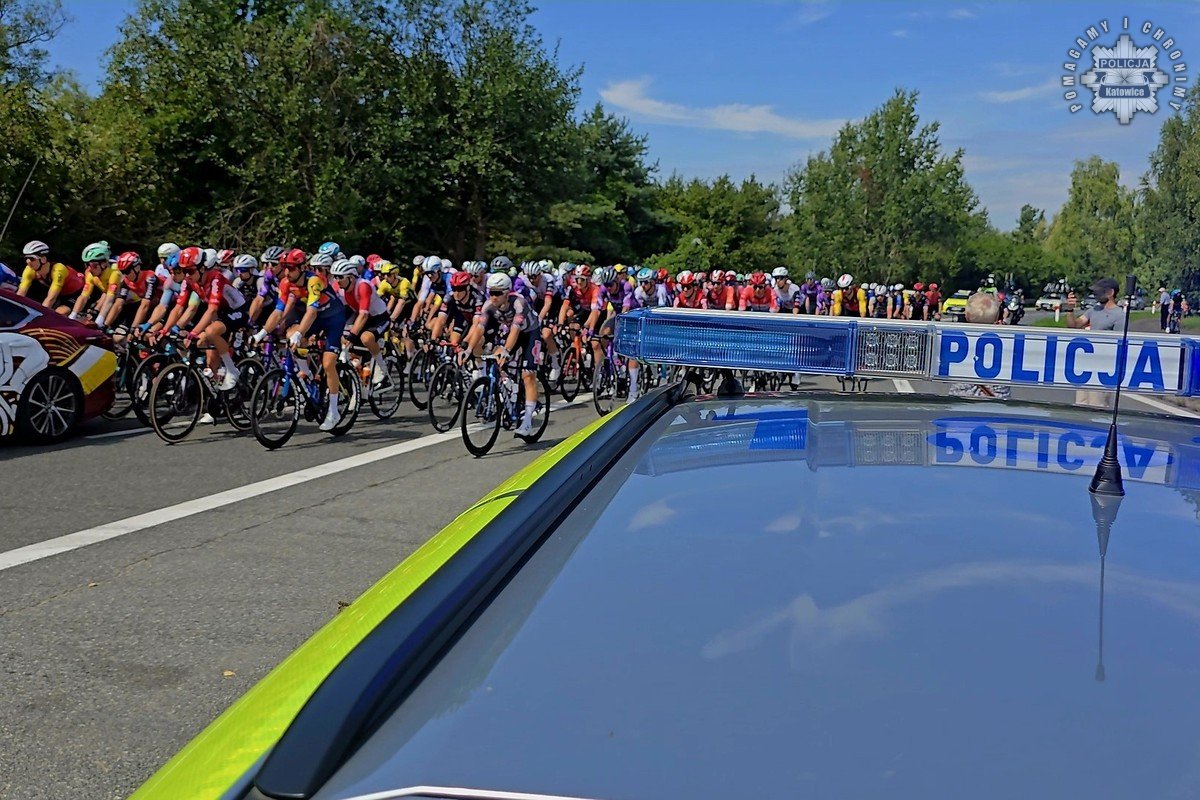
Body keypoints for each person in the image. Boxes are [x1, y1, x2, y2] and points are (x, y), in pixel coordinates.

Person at [1067, 277, 1123, 408]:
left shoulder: (1119, 315)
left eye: (1099, 292)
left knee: (1098, 406)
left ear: (1110, 293)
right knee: (1080, 404)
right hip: (1087, 366)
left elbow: (1121, 344)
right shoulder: (1094, 310)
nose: (1095, 295)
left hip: (1103, 368)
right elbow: (1074, 325)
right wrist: (1070, 310)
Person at [948, 292, 1011, 401]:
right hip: (998, 403)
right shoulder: (1007, 341)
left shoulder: (956, 342)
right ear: (997, 316)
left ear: (966, 316)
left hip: (960, 400)